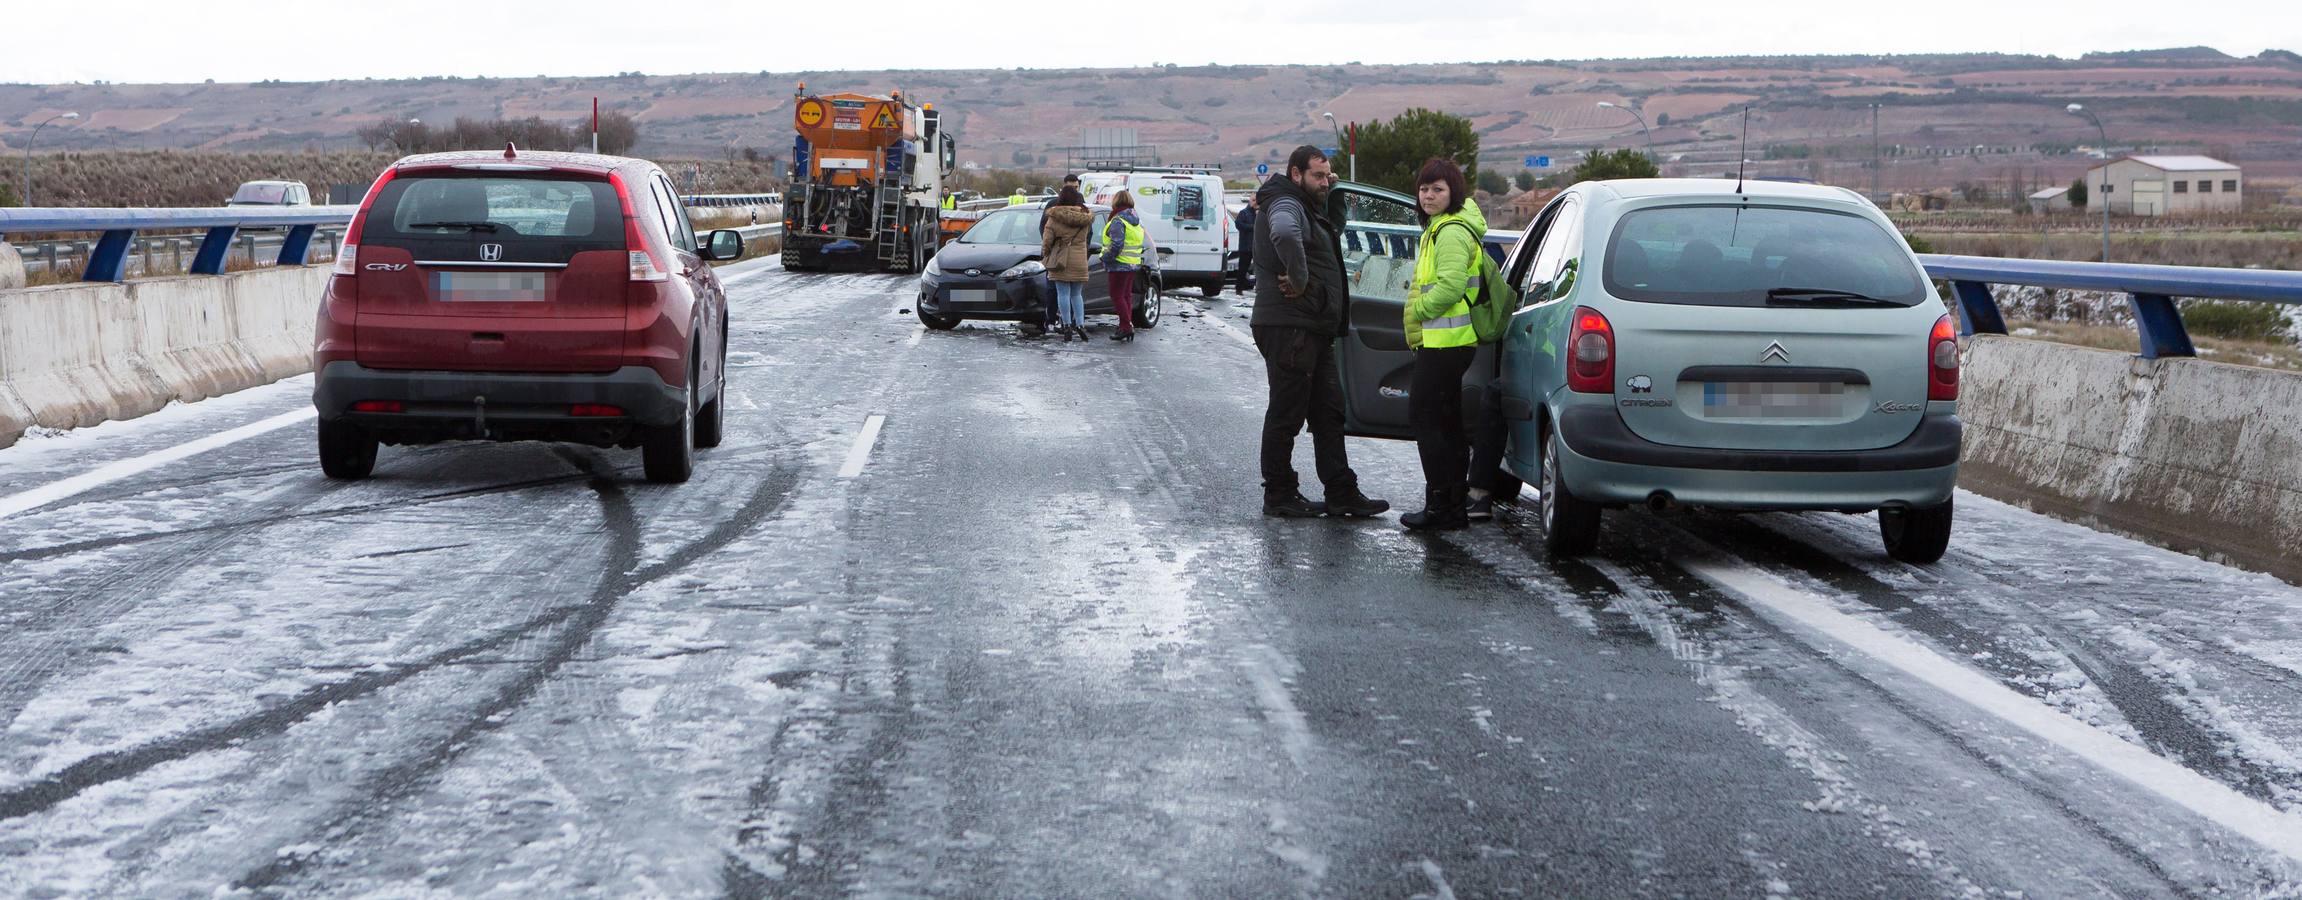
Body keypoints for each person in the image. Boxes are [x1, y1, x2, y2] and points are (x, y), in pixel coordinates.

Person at [1251, 146, 1388, 519]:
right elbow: (1283, 231)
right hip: (1290, 325)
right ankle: (1279, 493)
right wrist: (1299, 278)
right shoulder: (1286, 203)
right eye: (1318, 176)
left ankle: (1341, 491)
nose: (1325, 181)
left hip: (1311, 326)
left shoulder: (1307, 205)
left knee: (1328, 412)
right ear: (1296, 174)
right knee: (1287, 412)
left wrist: (1335, 196)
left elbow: (1328, 233)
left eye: (1328, 175)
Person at [1398, 157, 1486, 531]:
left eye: (1438, 189)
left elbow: (1449, 286)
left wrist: (1418, 309)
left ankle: (1441, 507)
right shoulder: (1442, 227)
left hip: (1445, 344)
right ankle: (1451, 505)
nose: (1429, 196)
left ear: (1453, 193)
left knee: (1428, 421)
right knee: (1446, 425)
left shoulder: (1449, 232)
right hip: (1450, 344)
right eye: (1424, 189)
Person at [1041, 187, 1093, 342]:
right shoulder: (1085, 217)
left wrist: (1046, 253)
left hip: (1061, 261)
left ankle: (1067, 325)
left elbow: (1047, 241)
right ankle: (1081, 324)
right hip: (1079, 260)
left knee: (1063, 294)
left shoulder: (1054, 217)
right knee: (1077, 294)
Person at [1101, 190, 1144, 344]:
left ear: (1116, 202)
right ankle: (1126, 325)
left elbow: (1116, 245)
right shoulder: (1135, 220)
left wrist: (1104, 257)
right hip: (1132, 264)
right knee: (1125, 296)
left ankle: (1126, 326)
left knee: (1117, 295)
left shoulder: (1118, 220)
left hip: (1119, 264)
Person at [1230, 194, 1257, 296]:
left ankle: (1257, 287)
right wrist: (1253, 227)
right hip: (1246, 246)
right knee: (1242, 268)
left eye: (1257, 201)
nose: (1255, 203)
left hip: (1257, 246)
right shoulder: (1244, 213)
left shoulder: (1260, 213)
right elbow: (1239, 225)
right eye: (1253, 200)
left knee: (1259, 269)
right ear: (1250, 201)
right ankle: (1239, 288)